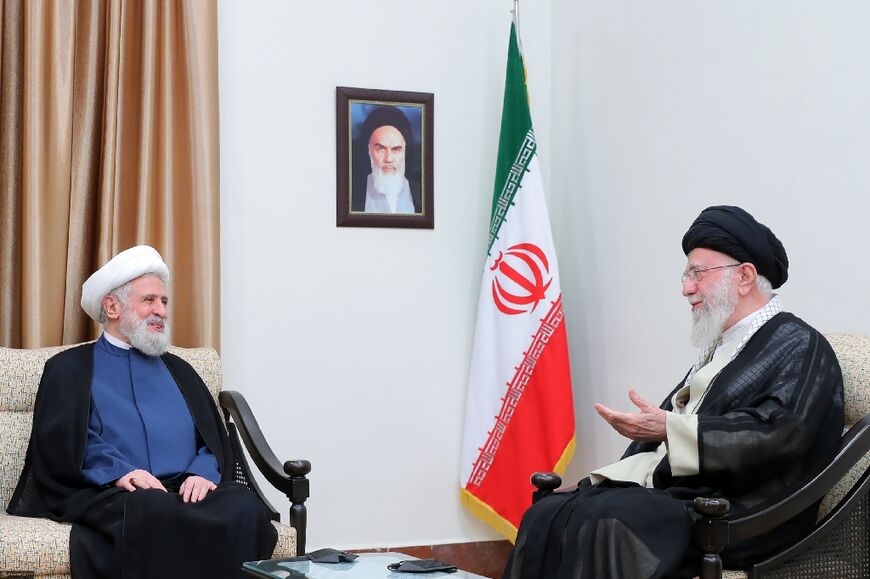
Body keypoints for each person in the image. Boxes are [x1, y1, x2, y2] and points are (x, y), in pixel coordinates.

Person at [503, 206, 844, 579]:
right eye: (686, 275)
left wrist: (668, 428)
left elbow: (780, 434)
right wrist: (596, 481)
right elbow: (659, 444)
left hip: (743, 512)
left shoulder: (800, 345)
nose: (686, 288)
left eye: (698, 273)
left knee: (611, 518)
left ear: (745, 276)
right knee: (549, 512)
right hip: (689, 499)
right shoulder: (727, 345)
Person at [7, 245, 277, 579]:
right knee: (153, 509)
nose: (161, 311)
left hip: (186, 488)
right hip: (114, 493)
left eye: (164, 302)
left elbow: (212, 439)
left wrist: (202, 473)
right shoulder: (69, 369)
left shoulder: (182, 371)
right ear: (113, 306)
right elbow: (66, 442)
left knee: (244, 507)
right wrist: (121, 472)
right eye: (149, 300)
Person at [351, 105, 422, 214]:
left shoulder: (421, 195)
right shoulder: (351, 194)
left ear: (404, 151)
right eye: (380, 149)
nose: (388, 159)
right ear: (369, 150)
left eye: (396, 149)